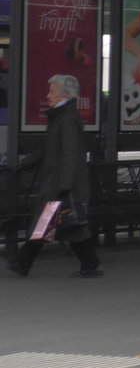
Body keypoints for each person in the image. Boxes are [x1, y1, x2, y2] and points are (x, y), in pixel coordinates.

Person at [6, 75, 103, 279]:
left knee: (48, 222)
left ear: (63, 94)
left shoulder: (66, 119)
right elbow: (47, 149)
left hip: (62, 183)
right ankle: (91, 264)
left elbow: (70, 154)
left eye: (52, 91)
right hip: (60, 181)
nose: (48, 95)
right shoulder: (61, 116)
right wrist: (25, 163)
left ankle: (23, 262)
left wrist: (65, 186)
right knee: (71, 227)